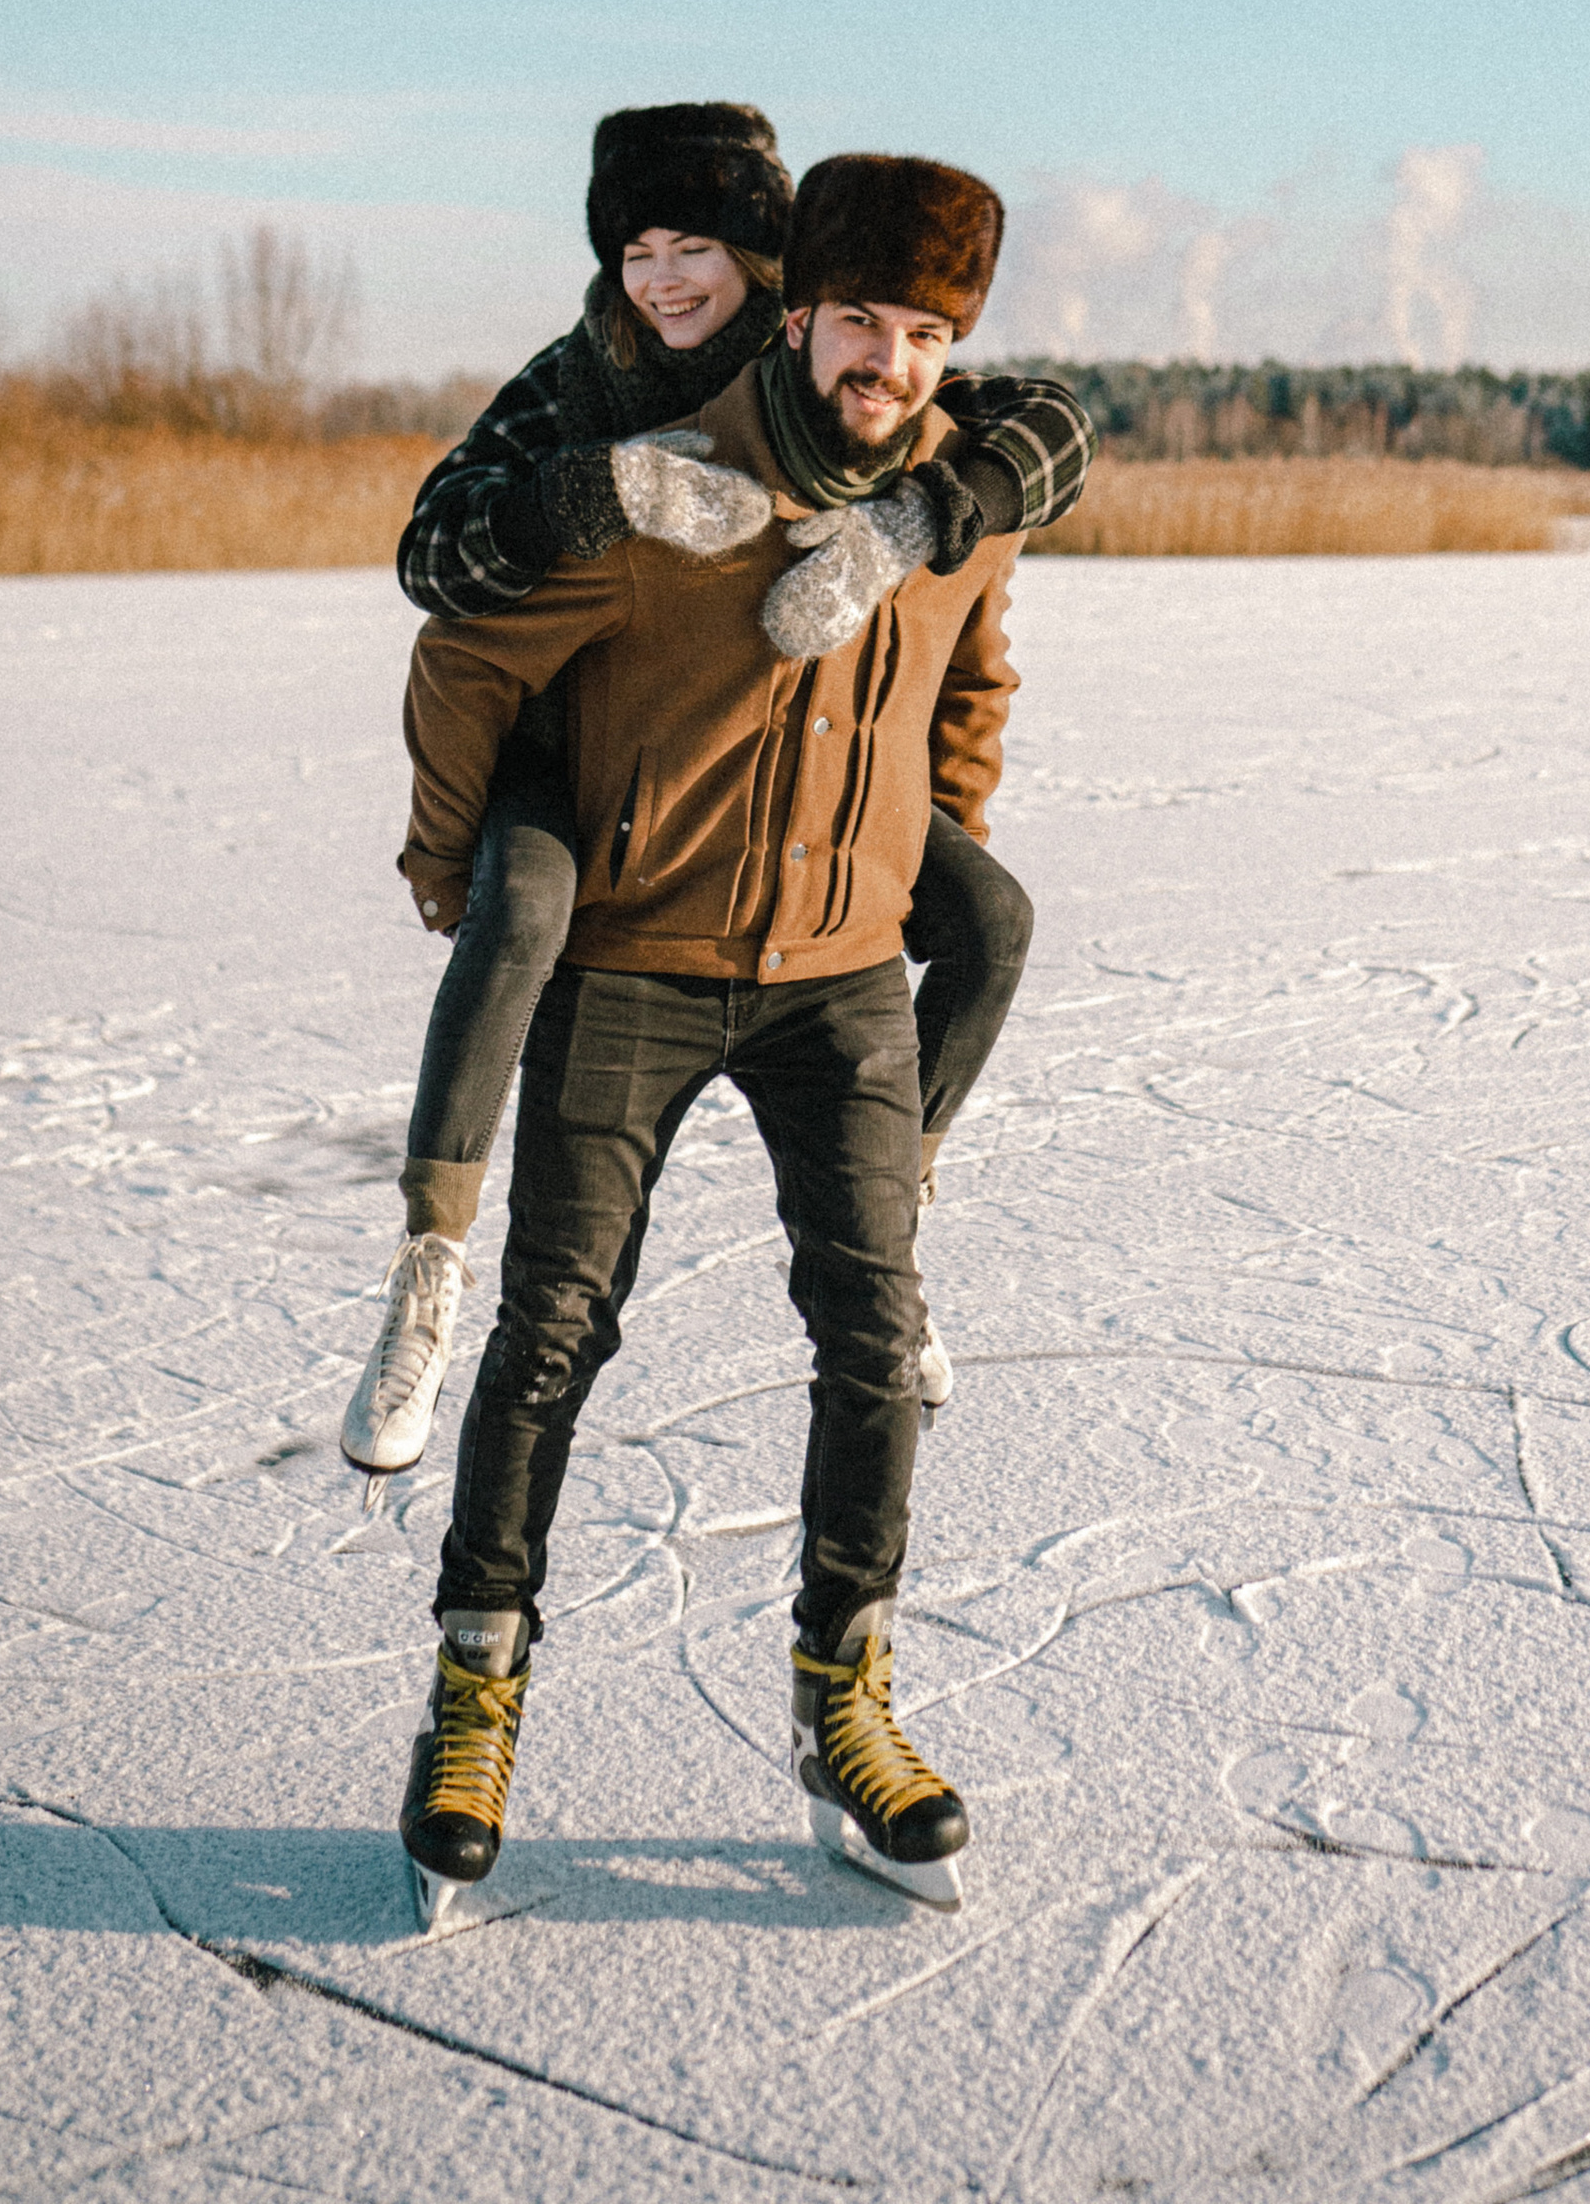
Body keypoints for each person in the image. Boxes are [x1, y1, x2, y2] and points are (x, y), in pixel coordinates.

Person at [391, 152, 1020, 1924]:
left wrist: (918, 845)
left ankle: (848, 1698)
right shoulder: (672, 491)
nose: (886, 359)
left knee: (876, 1334)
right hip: (636, 962)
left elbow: (974, 679)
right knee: (552, 1332)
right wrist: (458, 867)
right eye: (859, 323)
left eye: (924, 331)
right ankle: (477, 1692)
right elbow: (463, 653)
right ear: (794, 311)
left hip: (839, 982)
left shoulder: (965, 500)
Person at [341, 102, 1090, 1480]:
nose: (666, 277)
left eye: (699, 245)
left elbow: (1042, 428)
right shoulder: (575, 380)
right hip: (576, 767)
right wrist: (595, 494)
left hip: (792, 794)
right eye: (637, 249)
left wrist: (922, 522)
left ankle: (894, 1203)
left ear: (772, 271)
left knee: (990, 920)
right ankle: (429, 1260)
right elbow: (433, 568)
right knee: (518, 922)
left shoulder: (827, 357)